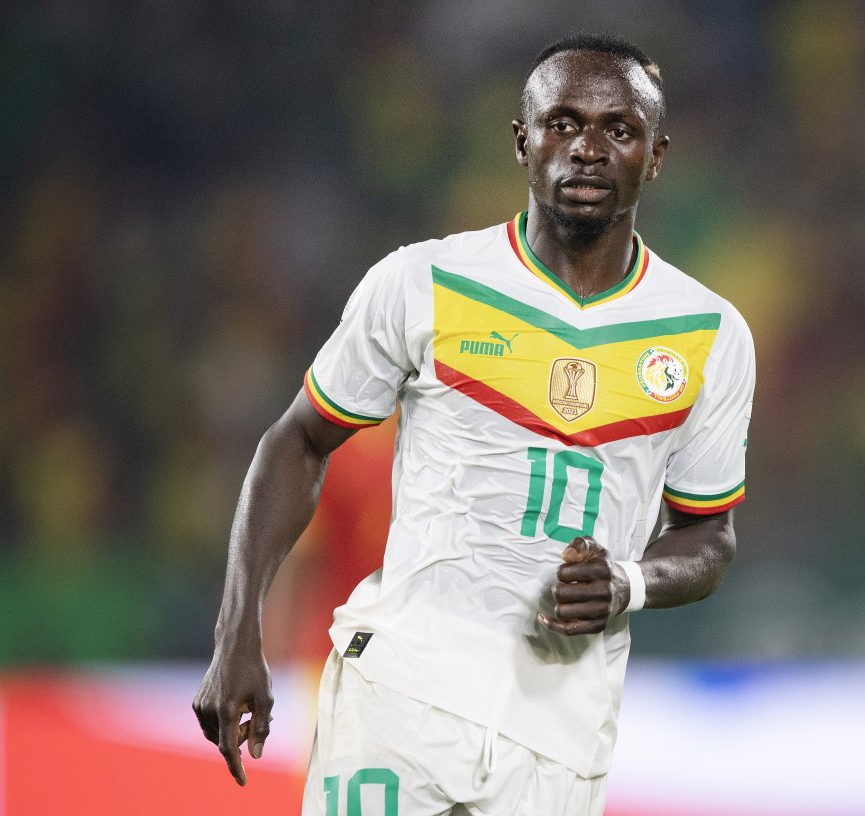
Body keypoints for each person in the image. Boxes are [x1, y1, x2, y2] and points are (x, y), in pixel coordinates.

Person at [193, 32, 754, 816]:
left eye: (619, 129)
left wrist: (629, 582)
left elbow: (709, 534)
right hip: (399, 701)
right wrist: (236, 634)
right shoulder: (422, 282)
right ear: (523, 141)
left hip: (560, 735)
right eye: (563, 123)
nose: (588, 149)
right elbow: (298, 439)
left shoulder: (710, 335)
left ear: (655, 156)